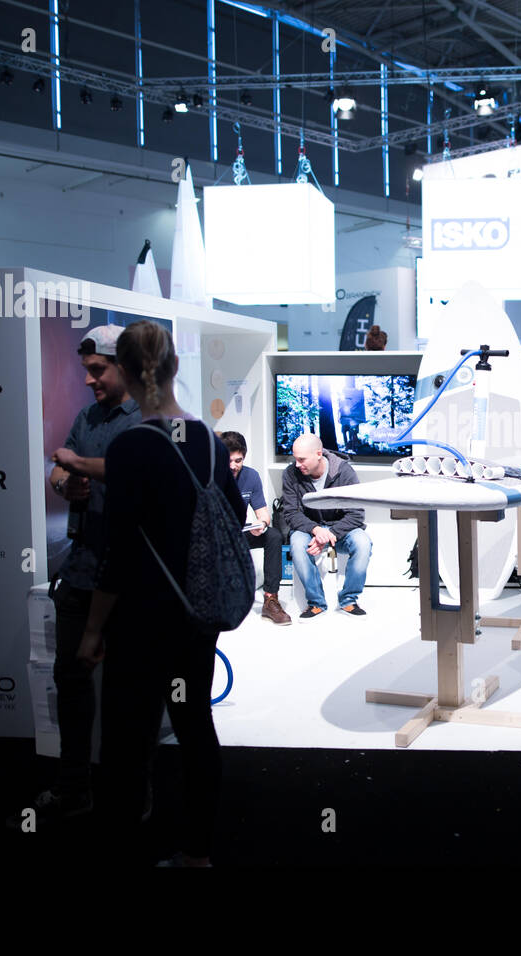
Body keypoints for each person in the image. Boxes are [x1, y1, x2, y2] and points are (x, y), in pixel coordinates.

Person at [78, 320, 246, 866]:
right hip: (196, 617)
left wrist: (93, 629)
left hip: (141, 621)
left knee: (128, 740)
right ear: (174, 367)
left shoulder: (131, 446)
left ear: (126, 373)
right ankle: (198, 852)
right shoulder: (209, 441)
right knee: (195, 725)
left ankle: (120, 851)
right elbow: (233, 517)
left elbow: (119, 552)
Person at [31, 325, 140, 823]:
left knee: (128, 694)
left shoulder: (149, 419)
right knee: (71, 682)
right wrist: (64, 481)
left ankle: (131, 798)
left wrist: (78, 464)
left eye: (99, 370)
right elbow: (58, 468)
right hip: (81, 569)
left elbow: (138, 472)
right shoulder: (88, 417)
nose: (91, 380)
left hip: (132, 579)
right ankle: (74, 786)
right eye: (86, 372)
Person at [282, 434, 372, 618]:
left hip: (339, 528)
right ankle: (316, 602)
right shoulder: (291, 473)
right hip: (309, 529)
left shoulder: (344, 472)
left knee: (363, 543)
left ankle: (349, 599)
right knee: (297, 545)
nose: (297, 464)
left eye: (301, 459)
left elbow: (356, 514)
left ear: (318, 454)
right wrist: (316, 530)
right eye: (295, 459)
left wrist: (330, 533)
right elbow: (290, 513)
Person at [219, 430, 290, 625]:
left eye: (238, 460)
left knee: (273, 536)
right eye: (228, 460)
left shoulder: (251, 476)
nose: (233, 466)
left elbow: (263, 513)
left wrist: (262, 524)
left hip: (240, 533)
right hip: (215, 536)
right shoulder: (210, 475)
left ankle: (270, 599)